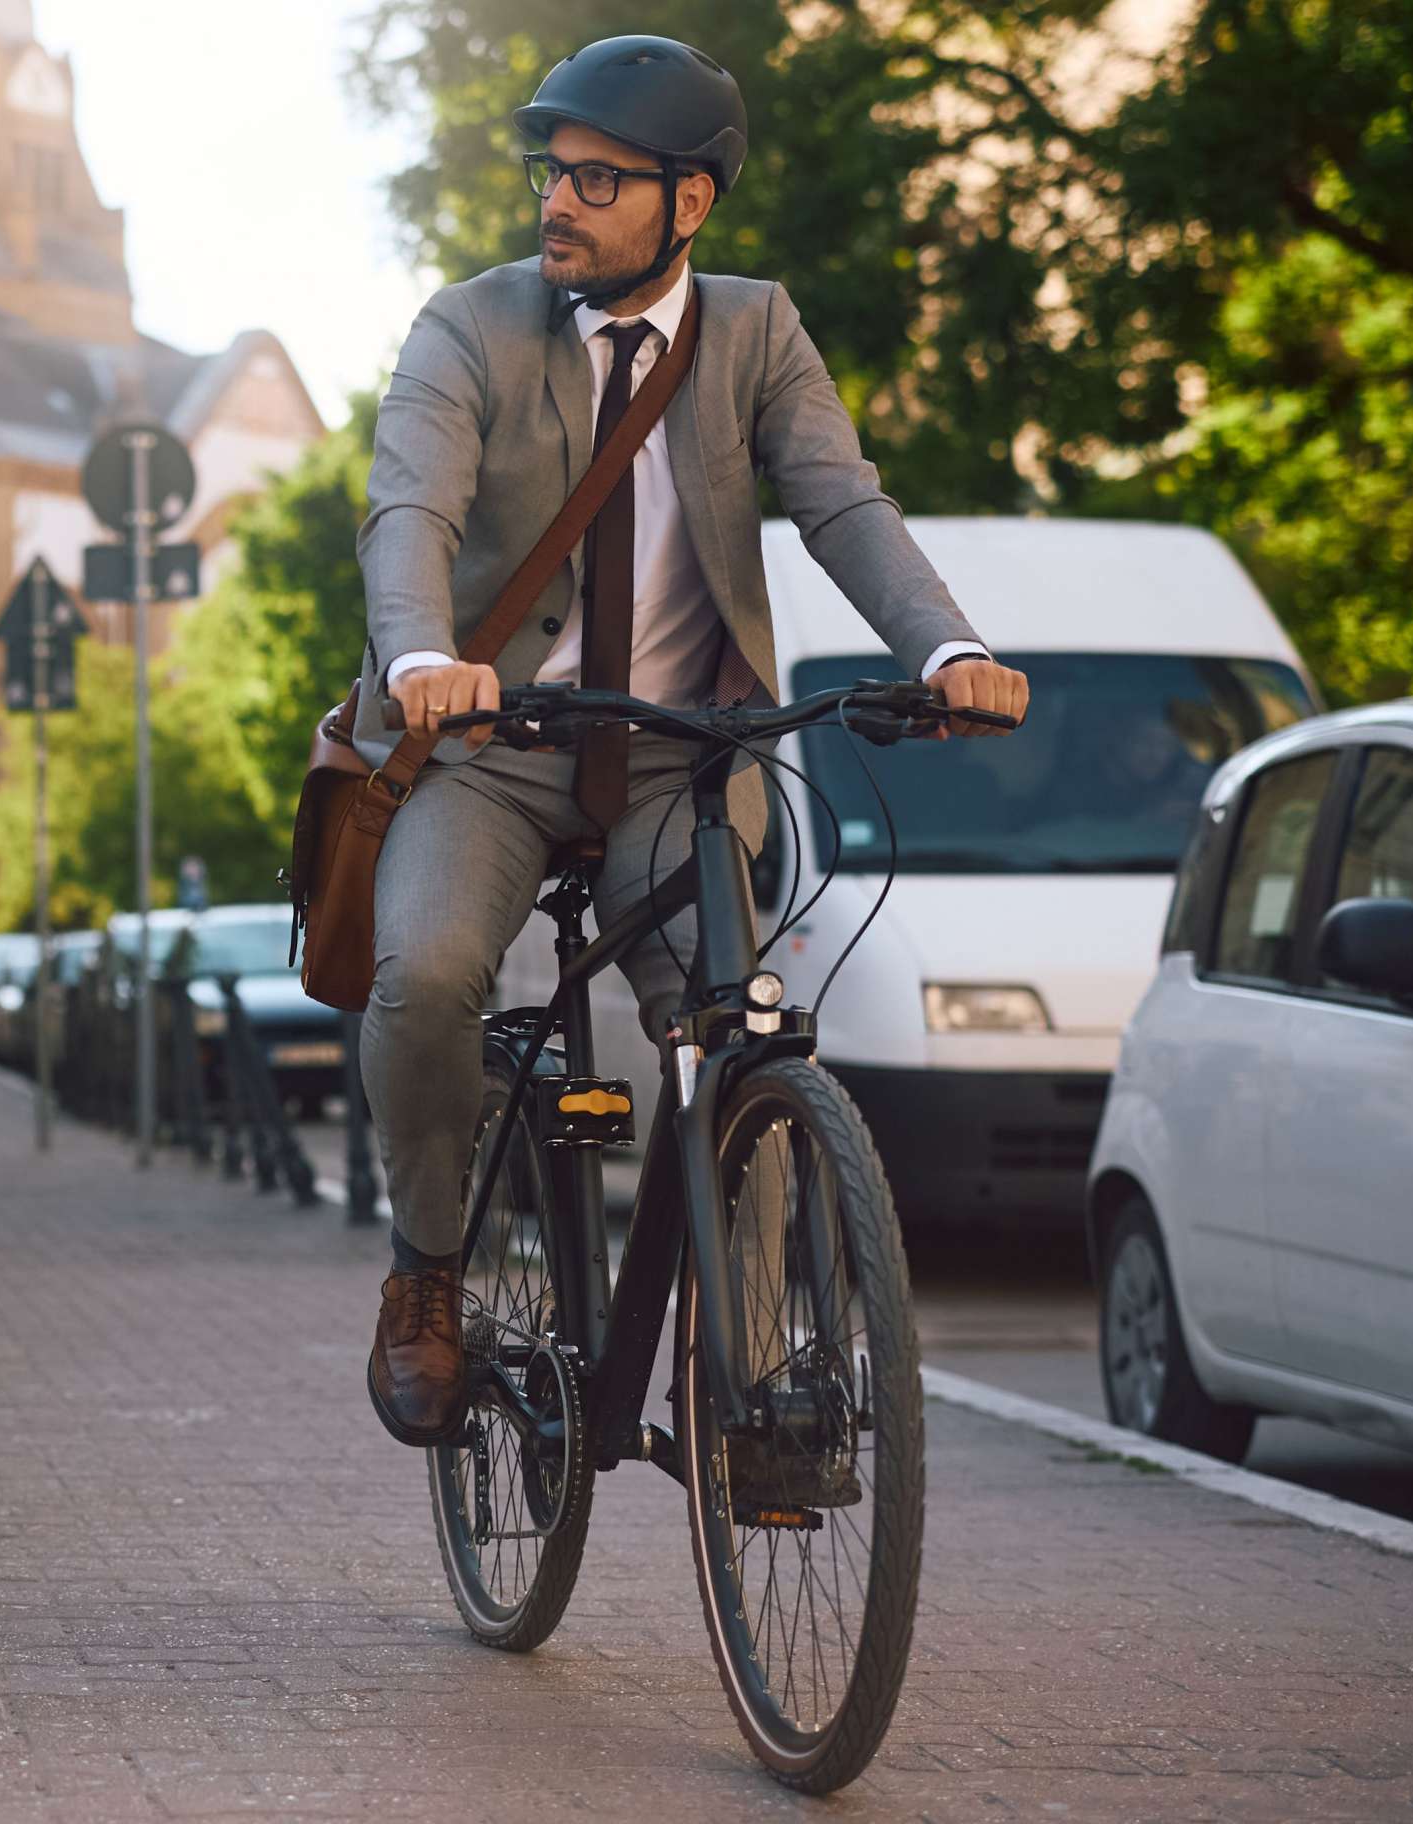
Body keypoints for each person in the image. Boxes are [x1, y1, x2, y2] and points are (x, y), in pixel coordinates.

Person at [352, 36, 1033, 1451]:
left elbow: (843, 505)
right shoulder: (469, 328)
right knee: (424, 979)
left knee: (742, 1032)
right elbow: (409, 506)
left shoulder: (759, 332)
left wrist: (948, 649)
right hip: (490, 746)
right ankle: (427, 1264)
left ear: (691, 203)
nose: (561, 202)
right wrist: (425, 656)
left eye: (601, 180)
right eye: (554, 171)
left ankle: (759, 1365)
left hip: (677, 759)